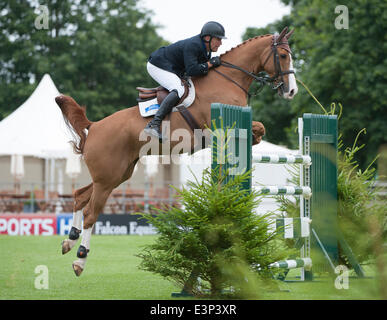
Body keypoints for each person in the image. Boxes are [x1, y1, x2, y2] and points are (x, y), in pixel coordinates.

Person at [144, 21, 226, 141]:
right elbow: (192, 70)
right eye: (218, 39)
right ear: (208, 38)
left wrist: (209, 64)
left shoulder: (206, 50)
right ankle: (153, 124)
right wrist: (210, 64)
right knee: (178, 89)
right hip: (157, 65)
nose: (221, 43)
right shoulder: (194, 45)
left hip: (173, 67)